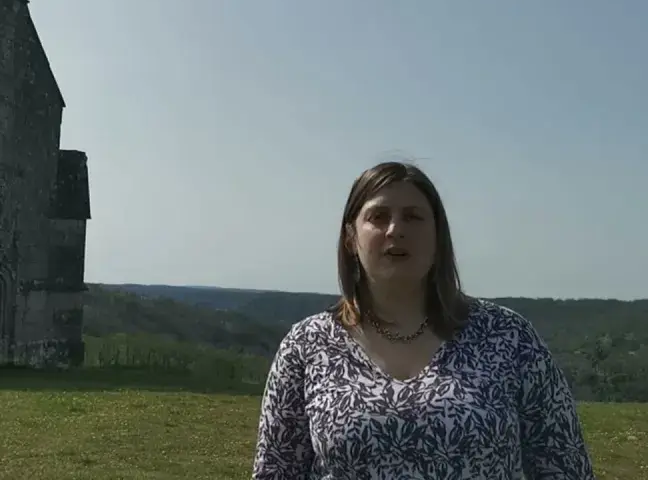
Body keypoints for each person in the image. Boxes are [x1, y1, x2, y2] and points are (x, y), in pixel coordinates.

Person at [252, 161, 595, 479]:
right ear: (350, 238)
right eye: (378, 216)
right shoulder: (307, 346)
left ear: (437, 236)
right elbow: (275, 472)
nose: (395, 229)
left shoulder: (508, 337)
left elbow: (565, 465)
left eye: (413, 217)